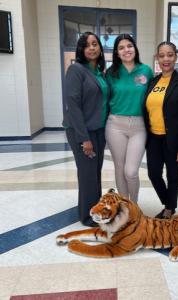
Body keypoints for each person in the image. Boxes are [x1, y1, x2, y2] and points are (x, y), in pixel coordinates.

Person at [144, 41, 178, 219]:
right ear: (157, 58)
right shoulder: (153, 82)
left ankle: (168, 209)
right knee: (153, 174)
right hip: (154, 139)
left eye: (170, 55)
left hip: (173, 139)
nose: (166, 59)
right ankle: (170, 203)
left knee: (173, 175)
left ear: (175, 57)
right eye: (162, 55)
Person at [63, 32, 108, 227]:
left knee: (94, 172)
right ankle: (88, 216)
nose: (91, 48)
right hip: (82, 131)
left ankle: (93, 208)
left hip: (98, 130)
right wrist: (84, 139)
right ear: (81, 49)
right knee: (88, 173)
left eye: (95, 44)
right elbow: (73, 104)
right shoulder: (76, 70)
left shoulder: (99, 72)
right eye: (87, 45)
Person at [105, 34, 153, 202]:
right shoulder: (111, 73)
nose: (126, 50)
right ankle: (124, 206)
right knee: (119, 168)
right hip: (115, 125)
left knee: (131, 171)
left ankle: (134, 207)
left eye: (129, 46)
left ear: (135, 48)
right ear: (117, 53)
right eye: (121, 47)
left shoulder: (146, 70)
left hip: (139, 126)